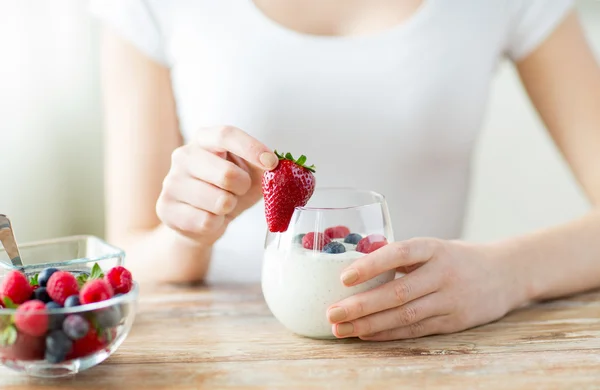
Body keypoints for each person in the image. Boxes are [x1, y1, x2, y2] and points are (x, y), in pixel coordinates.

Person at [90, 0, 600, 341]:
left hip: (421, 347)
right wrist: (192, 230)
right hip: (227, 353)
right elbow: (130, 256)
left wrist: (506, 274)